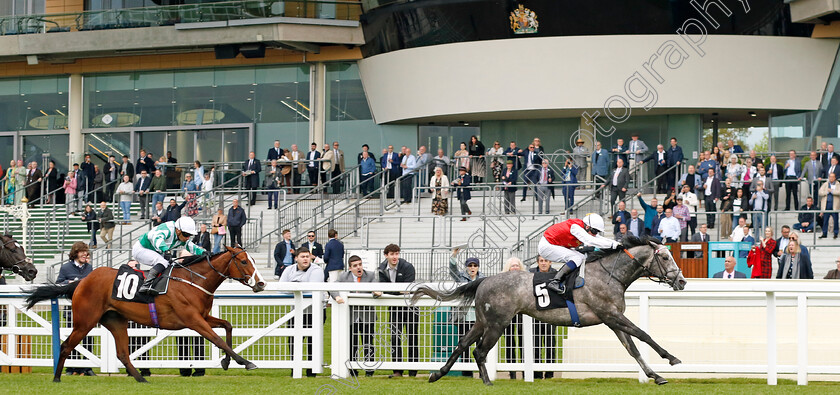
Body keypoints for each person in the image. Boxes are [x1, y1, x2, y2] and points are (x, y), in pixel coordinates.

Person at [539, 213, 621, 294]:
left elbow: (599, 238)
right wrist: (613, 245)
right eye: (594, 231)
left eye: (597, 231)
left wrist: (617, 244)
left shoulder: (584, 228)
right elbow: (591, 241)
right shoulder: (575, 228)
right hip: (547, 245)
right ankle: (555, 282)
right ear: (587, 227)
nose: (595, 234)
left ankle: (570, 280)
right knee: (576, 258)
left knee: (582, 257)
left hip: (553, 244)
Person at [329, 255, 381, 378]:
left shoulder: (370, 275)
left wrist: (376, 292)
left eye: (360, 264)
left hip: (367, 316)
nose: (359, 268)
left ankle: (369, 370)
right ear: (350, 268)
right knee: (352, 343)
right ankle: (353, 370)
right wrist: (337, 297)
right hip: (351, 316)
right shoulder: (343, 277)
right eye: (355, 265)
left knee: (368, 343)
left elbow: (376, 288)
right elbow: (332, 287)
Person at [278, 246, 325, 377]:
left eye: (307, 256)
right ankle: (295, 369)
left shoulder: (317, 270)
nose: (305, 259)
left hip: (315, 311)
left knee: (312, 340)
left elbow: (313, 289)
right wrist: (299, 288)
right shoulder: (289, 269)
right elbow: (280, 288)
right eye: (302, 257)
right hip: (296, 311)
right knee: (294, 340)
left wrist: (294, 287)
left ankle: (312, 371)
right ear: (296, 258)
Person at [134, 216, 205, 295]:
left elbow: (191, 246)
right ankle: (146, 285)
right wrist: (166, 250)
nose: (188, 238)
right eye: (186, 234)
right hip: (141, 248)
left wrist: (203, 252)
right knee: (163, 262)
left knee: (174, 264)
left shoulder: (181, 236)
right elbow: (155, 237)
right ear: (178, 230)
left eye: (190, 235)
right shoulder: (168, 229)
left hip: (155, 251)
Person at [56, 242, 96, 376]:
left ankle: (87, 367)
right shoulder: (66, 268)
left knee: (88, 338)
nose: (85, 254)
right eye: (82, 252)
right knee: (72, 337)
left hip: (88, 309)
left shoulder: (89, 268)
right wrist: (70, 283)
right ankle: (71, 367)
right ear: (75, 253)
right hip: (71, 307)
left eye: (86, 252)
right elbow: (59, 283)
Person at [378, 244, 417, 378]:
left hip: (411, 307)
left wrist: (391, 291)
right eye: (392, 254)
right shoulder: (382, 269)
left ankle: (413, 371)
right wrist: (396, 291)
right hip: (394, 308)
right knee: (394, 337)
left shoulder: (408, 267)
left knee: (412, 338)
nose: (395, 257)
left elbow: (408, 288)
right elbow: (383, 287)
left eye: (396, 253)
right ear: (386, 255)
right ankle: (397, 371)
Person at [501, 256, 525, 378]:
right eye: (513, 265)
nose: (515, 267)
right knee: (510, 342)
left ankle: (526, 371)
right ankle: (512, 373)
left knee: (524, 342)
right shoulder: (503, 282)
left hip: (523, 315)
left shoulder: (525, 280)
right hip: (508, 315)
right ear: (508, 268)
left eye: (517, 265)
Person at [820, 173, 840, 239]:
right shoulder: (825, 184)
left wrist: (832, 191)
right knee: (825, 220)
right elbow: (820, 192)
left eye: (832, 177)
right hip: (826, 204)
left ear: (835, 178)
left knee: (835, 220)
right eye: (830, 177)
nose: (831, 178)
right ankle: (824, 233)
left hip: (834, 204)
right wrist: (827, 192)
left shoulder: (837, 184)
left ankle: (836, 233)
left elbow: (839, 192)